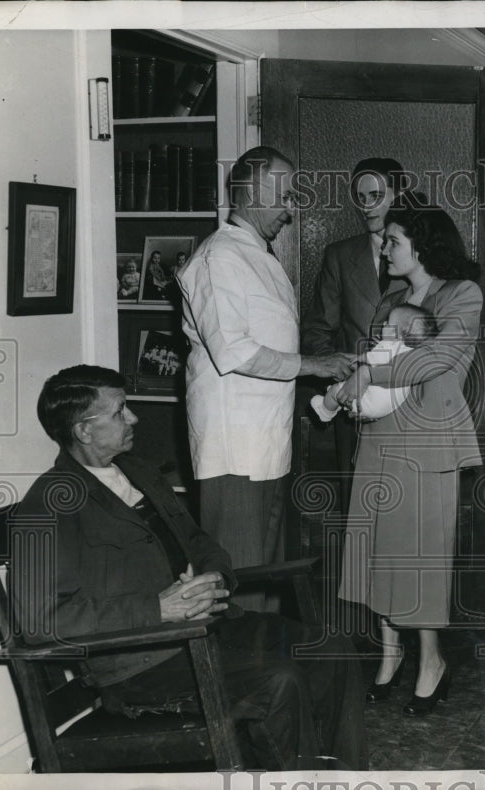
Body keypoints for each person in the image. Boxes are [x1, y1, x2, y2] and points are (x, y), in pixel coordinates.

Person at [11, 365, 366, 771]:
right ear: (83, 431)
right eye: (120, 411)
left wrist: (213, 579)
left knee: (330, 649)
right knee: (278, 679)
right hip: (143, 666)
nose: (134, 418)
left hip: (209, 630)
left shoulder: (137, 471)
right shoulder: (48, 504)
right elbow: (41, 622)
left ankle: (344, 779)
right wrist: (158, 609)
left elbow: (199, 541)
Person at [176, 146, 355, 611]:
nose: (292, 209)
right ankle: (239, 679)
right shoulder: (219, 257)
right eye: (286, 196)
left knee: (265, 579)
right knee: (240, 578)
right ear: (253, 190)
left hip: (267, 445)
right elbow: (233, 350)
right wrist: (316, 365)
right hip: (235, 451)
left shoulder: (259, 255)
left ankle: (267, 674)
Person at [332, 197, 481, 716]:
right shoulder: (388, 299)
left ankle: (431, 663)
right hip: (377, 438)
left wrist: (369, 375)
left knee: (419, 561)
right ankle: (389, 657)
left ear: (423, 245)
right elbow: (371, 357)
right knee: (378, 553)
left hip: (428, 443)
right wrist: (355, 384)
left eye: (393, 240)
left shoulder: (463, 294)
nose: (385, 247)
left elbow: (435, 358)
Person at [302, 158, 410, 510]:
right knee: (357, 509)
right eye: (361, 197)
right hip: (353, 407)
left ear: (400, 193)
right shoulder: (339, 255)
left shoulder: (425, 256)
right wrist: (346, 382)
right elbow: (318, 329)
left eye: (376, 195)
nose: (366, 205)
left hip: (410, 403)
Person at [310, 304, 439, 423]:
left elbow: (374, 358)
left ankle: (326, 411)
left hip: (373, 400)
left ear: (396, 334)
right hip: (387, 407)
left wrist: (362, 357)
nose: (383, 324)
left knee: (336, 391)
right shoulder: (409, 351)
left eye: (388, 323)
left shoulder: (389, 346)